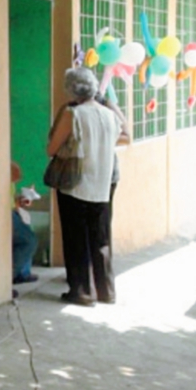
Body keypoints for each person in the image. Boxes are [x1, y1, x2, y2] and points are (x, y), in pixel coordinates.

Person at [47, 67, 124, 307]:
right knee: (101, 240)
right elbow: (124, 137)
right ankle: (106, 291)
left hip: (76, 185)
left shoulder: (74, 114)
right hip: (103, 185)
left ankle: (81, 291)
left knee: (76, 239)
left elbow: (51, 149)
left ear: (71, 89)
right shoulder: (110, 115)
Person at [11, 161, 39, 286]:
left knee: (26, 232)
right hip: (8, 215)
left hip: (12, 213)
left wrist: (20, 201)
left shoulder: (9, 184)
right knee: (28, 240)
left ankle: (22, 272)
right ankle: (11, 276)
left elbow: (11, 201)